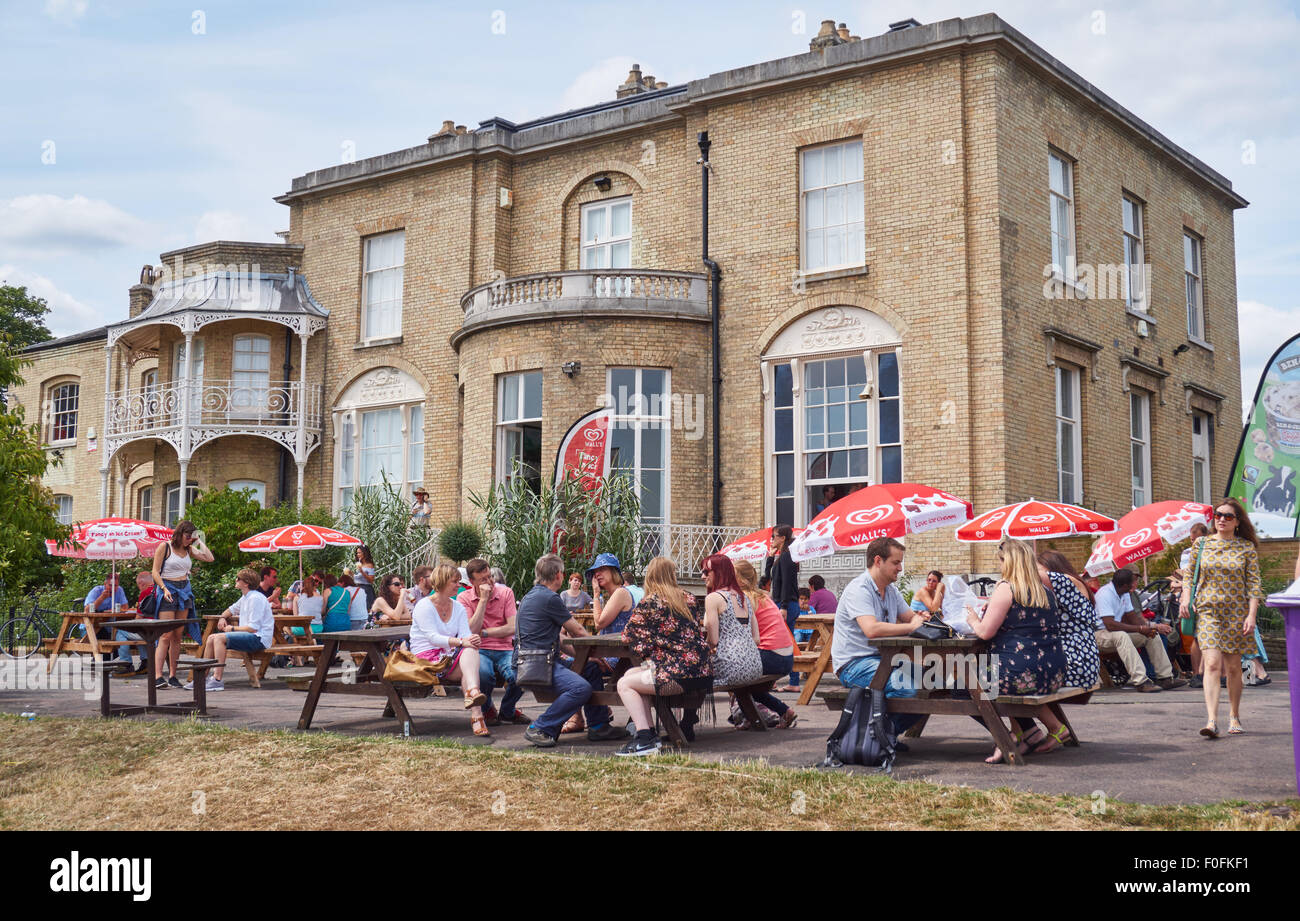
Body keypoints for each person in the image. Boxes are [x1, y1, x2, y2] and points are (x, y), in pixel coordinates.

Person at [966, 540, 1071, 762]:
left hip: (1021, 673)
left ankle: (1007, 736)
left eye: (1001, 561)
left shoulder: (1006, 588)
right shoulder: (1044, 590)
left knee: (963, 684)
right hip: (1054, 672)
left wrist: (973, 620)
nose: (1000, 566)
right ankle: (1027, 732)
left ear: (1009, 561)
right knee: (993, 675)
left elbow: (985, 633)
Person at [518, 554, 629, 748]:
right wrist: (597, 651)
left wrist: (589, 657)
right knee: (580, 688)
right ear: (559, 575)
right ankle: (540, 727)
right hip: (538, 666)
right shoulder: (550, 598)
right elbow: (577, 631)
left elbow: (558, 639)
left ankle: (599, 725)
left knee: (591, 669)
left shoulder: (531, 595)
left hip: (532, 661)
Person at [1179, 497, 1264, 738]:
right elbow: (1188, 577)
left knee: (1234, 667)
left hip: (1236, 614)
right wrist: (1186, 599)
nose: (1222, 519)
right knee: (1213, 664)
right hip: (1207, 611)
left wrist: (1252, 615)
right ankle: (1212, 720)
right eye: (1218, 515)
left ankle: (1234, 715)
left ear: (1237, 522)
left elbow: (1254, 585)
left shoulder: (1245, 547)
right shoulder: (1202, 544)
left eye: (1228, 516)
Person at [829, 536, 928, 736]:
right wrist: (911, 626)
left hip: (884, 659)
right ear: (878, 561)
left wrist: (922, 618)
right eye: (896, 562)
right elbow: (871, 629)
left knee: (934, 680)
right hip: (853, 664)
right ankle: (875, 737)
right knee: (907, 689)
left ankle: (882, 735)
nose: (900, 568)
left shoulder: (891, 590)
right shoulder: (859, 589)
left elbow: (911, 618)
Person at [616, 557, 714, 756]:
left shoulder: (650, 602)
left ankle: (645, 738)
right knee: (631, 675)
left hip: (677, 674)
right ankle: (650, 733)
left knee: (623, 684)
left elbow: (629, 635)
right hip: (701, 671)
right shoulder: (689, 598)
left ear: (650, 575)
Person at [409, 563, 490, 736]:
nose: (459, 586)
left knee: (471, 651)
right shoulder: (423, 606)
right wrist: (463, 641)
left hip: (449, 656)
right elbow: (433, 638)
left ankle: (473, 694)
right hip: (426, 659)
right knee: (470, 660)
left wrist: (471, 639)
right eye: (455, 582)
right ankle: (476, 714)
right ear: (443, 581)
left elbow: (465, 634)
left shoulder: (458, 607)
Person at [1095, 567, 1185, 691]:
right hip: (1099, 634)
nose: (1134, 585)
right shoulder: (1105, 594)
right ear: (1125, 585)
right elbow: (1110, 624)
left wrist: (1147, 629)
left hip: (1114, 633)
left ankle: (1165, 678)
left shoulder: (1124, 593)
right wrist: (1139, 628)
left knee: (1151, 636)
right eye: (1132, 583)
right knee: (1121, 635)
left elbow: (1132, 616)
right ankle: (1141, 681)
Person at [733, 558, 798, 728]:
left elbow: (740, 633)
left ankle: (749, 717)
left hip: (770, 655)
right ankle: (784, 711)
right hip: (787, 657)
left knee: (734, 674)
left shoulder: (743, 599)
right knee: (752, 687)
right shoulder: (764, 596)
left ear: (740, 579)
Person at [187, 568, 275, 693]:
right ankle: (202, 678)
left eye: (238, 578)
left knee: (219, 638)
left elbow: (253, 628)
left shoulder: (255, 598)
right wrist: (223, 617)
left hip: (259, 638)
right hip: (250, 636)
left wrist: (232, 628)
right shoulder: (245, 597)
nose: (236, 580)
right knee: (212, 637)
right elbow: (231, 609)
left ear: (246, 583)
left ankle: (217, 679)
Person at [463, 558, 527, 727]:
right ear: (472, 582)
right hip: (479, 648)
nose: (489, 581)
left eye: (490, 576)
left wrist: (484, 632)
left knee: (521, 675)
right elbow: (471, 630)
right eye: (483, 579)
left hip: (505, 648)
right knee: (483, 675)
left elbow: (512, 627)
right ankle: (487, 708)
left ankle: (508, 711)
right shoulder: (464, 598)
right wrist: (483, 600)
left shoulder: (505, 593)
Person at [151, 520, 213, 690]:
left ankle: (172, 675)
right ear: (179, 534)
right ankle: (157, 675)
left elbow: (209, 558)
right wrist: (163, 588)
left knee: (177, 636)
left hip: (184, 590)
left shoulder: (189, 550)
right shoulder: (165, 547)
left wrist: (200, 541)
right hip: (168, 588)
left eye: (191, 539)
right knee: (165, 635)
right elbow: (155, 572)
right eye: (187, 537)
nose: (189, 541)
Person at [1037, 551, 1102, 692]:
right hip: (1078, 661)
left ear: (1053, 568)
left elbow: (1030, 578)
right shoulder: (1068, 585)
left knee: (1010, 677)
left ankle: (983, 701)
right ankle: (987, 706)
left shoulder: (1064, 580)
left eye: (1040, 570)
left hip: (1075, 664)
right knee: (1014, 679)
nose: (1039, 576)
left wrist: (1003, 584)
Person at [764, 525, 800, 689]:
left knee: (784, 642)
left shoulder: (787, 557)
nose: (772, 539)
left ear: (783, 538)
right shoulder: (781, 557)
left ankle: (792, 681)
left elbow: (786, 583)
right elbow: (766, 579)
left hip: (786, 603)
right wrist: (770, 558)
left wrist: (784, 606)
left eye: (774, 536)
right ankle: (790, 681)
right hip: (782, 602)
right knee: (785, 641)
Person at [352, 546, 377, 610]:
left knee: (366, 609)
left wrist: (362, 572)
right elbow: (358, 578)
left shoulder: (369, 565)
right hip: (357, 589)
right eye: (357, 553)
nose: (358, 555)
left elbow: (371, 580)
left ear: (365, 553)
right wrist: (350, 573)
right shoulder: (359, 564)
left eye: (359, 553)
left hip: (366, 590)